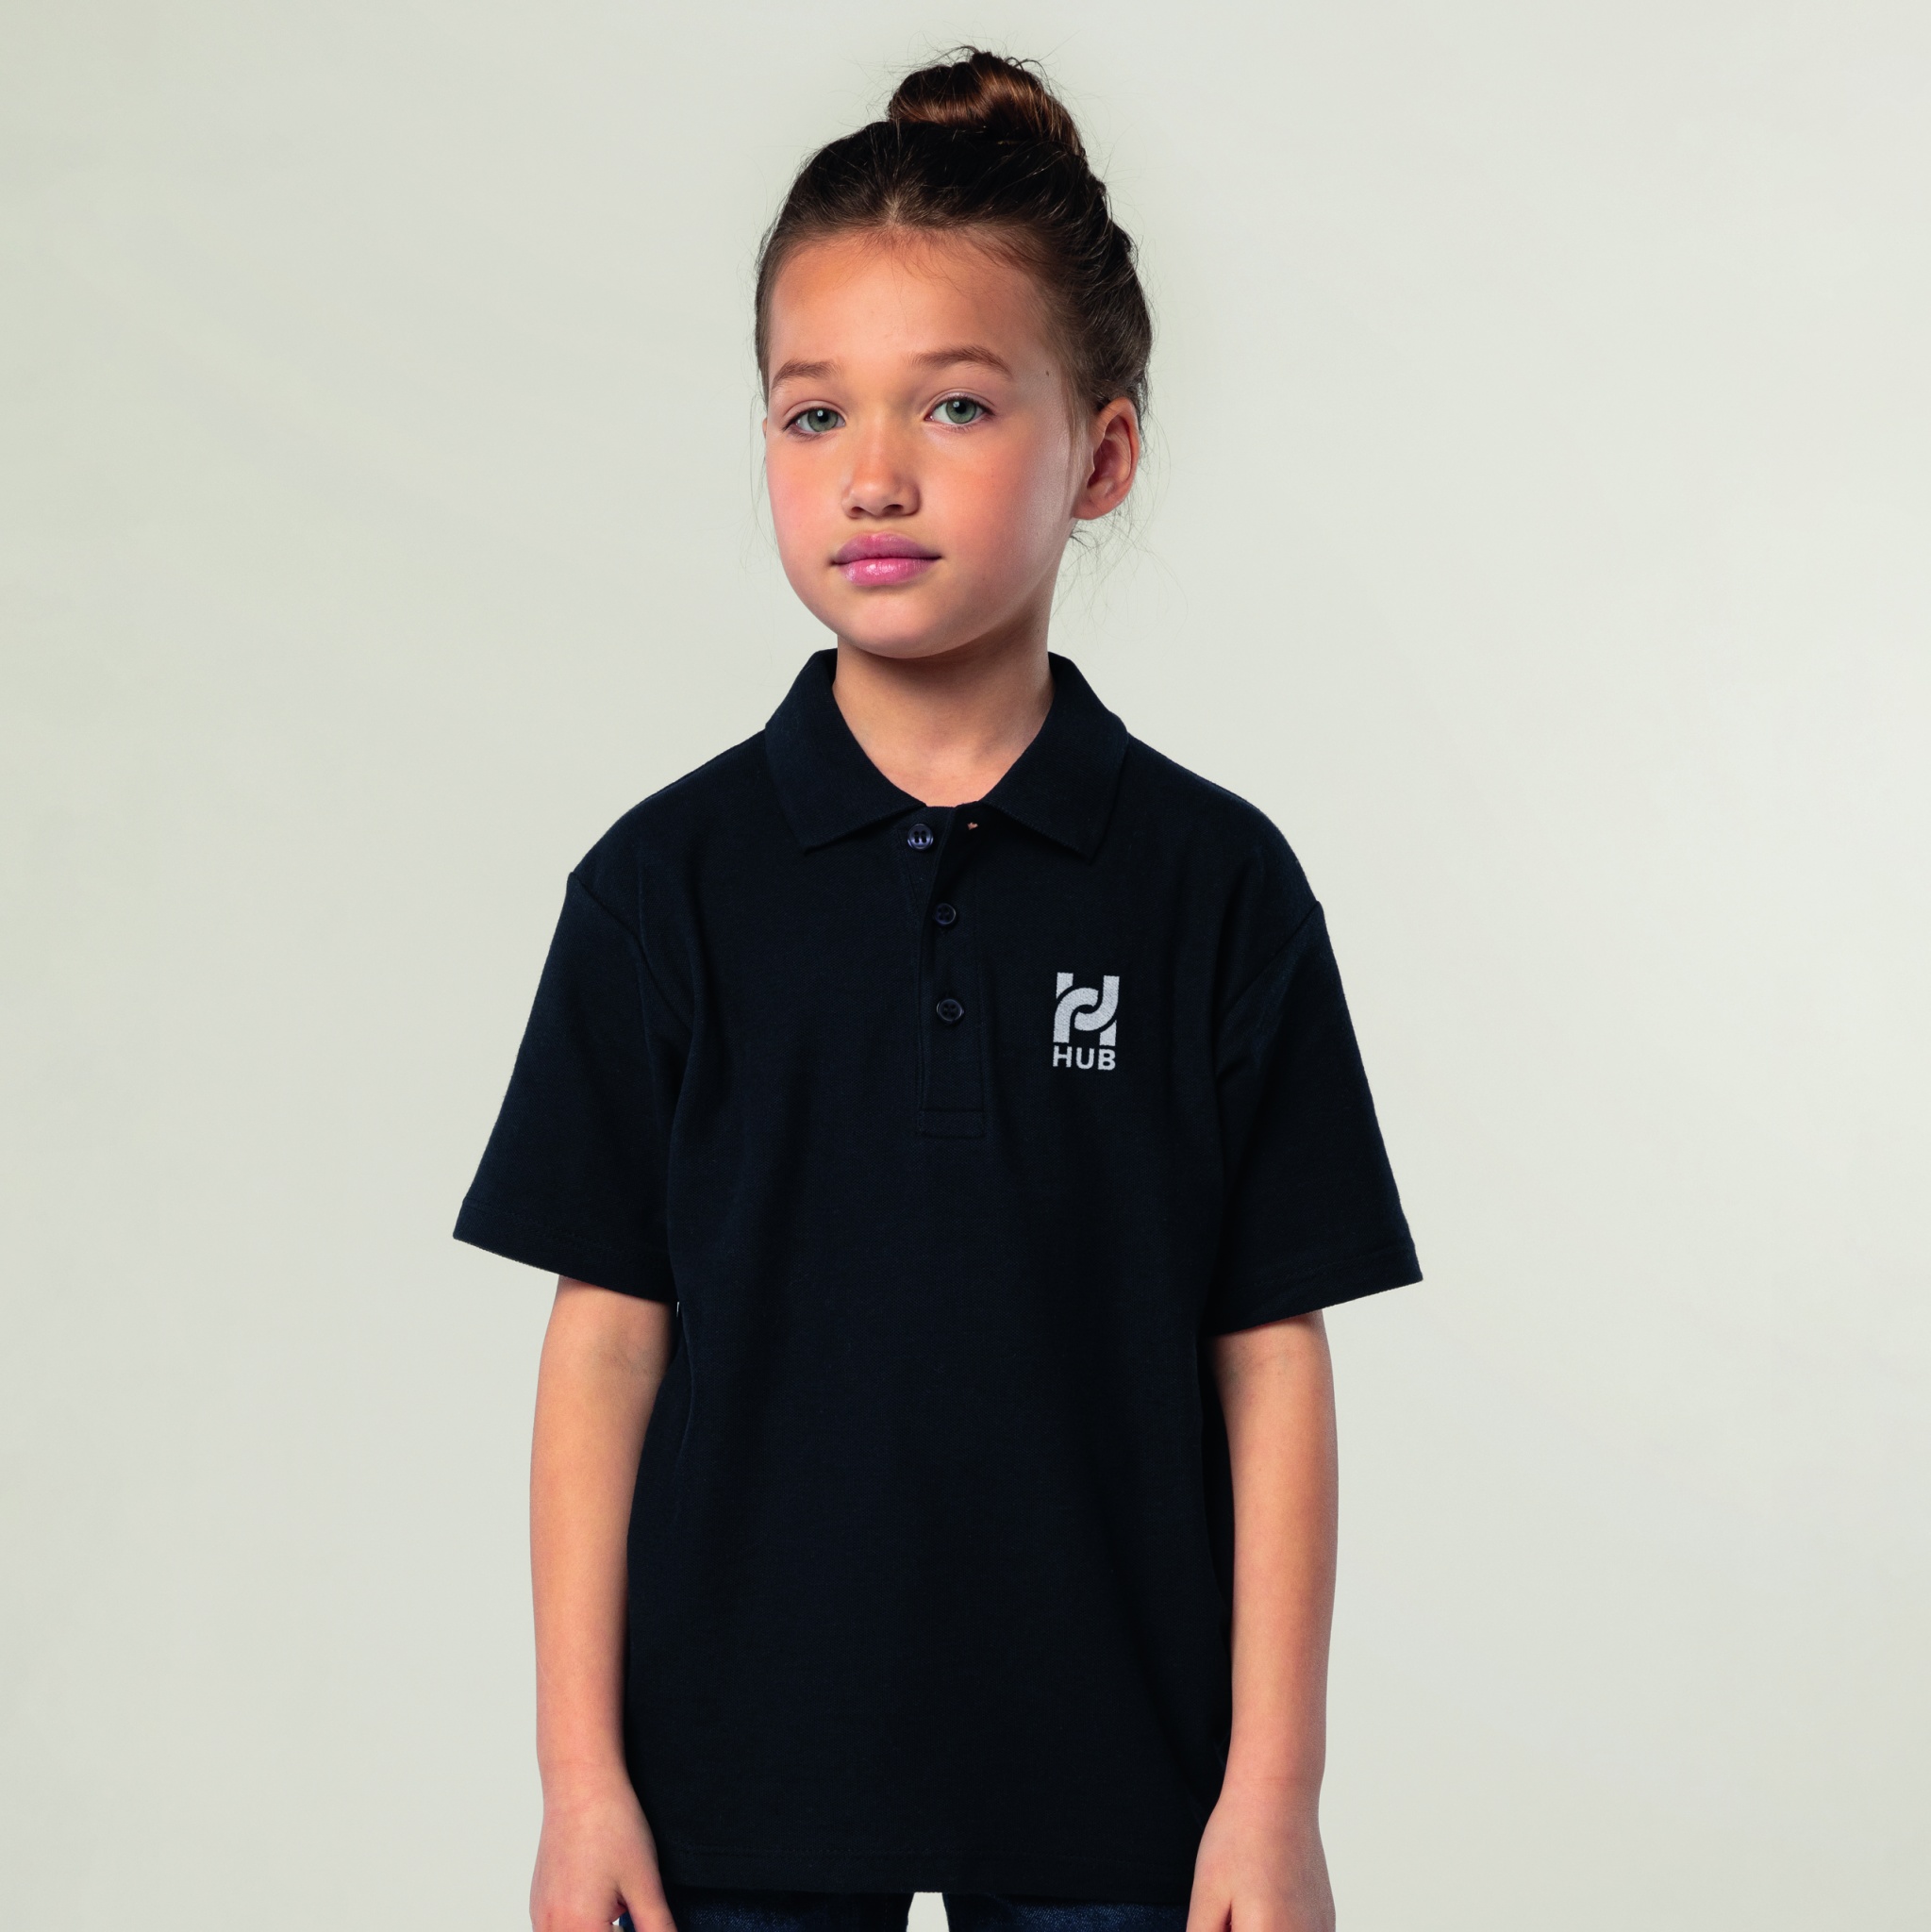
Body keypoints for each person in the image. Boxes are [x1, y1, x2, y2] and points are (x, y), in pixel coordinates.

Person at [455, 48, 1420, 1932]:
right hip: (728, 1800)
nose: (873, 473)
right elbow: (605, 1349)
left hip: (1127, 1807)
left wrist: (1271, 1800)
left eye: (957, 403)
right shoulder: (663, 889)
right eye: (813, 411)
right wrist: (581, 1787)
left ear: (1102, 454)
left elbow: (1270, 1360)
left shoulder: (1216, 889)